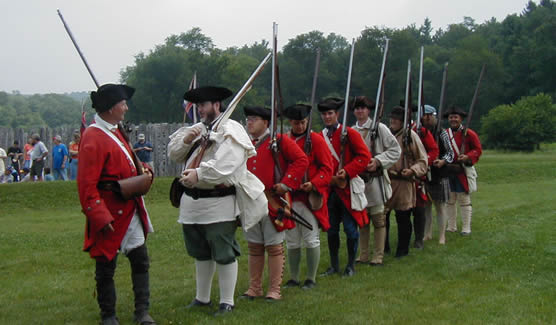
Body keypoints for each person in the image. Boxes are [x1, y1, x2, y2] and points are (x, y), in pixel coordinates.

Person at [167, 86, 268, 315]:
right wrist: (187, 140)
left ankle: (227, 301)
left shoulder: (231, 129)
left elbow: (227, 165)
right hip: (191, 203)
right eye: (198, 105)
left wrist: (200, 174)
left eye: (204, 105)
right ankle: (202, 298)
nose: (200, 109)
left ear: (217, 105)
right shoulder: (196, 128)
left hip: (218, 202)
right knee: (200, 251)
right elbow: (174, 154)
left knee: (223, 252)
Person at [77, 83, 156, 325]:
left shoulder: (115, 131)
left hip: (130, 207)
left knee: (140, 260)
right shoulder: (93, 136)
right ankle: (108, 315)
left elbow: (128, 162)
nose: (126, 108)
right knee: (105, 266)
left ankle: (142, 312)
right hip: (109, 210)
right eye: (123, 104)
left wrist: (142, 171)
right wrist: (99, 216)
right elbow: (86, 185)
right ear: (111, 108)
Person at [242, 105, 309, 301]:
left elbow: (301, 160)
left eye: (254, 118)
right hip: (250, 201)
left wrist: (286, 183)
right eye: (248, 118)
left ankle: (274, 290)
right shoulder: (246, 143)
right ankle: (254, 288)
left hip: (273, 201)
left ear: (266, 122)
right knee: (254, 246)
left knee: (274, 247)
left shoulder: (279, 141)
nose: (250, 122)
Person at [282, 104, 333, 289]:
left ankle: (311, 278)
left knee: (311, 238)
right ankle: (294, 278)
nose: (300, 126)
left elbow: (327, 169)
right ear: (291, 123)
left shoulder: (316, 140)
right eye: (296, 123)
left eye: (303, 122)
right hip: (289, 197)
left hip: (309, 197)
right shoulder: (285, 140)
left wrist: (314, 183)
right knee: (292, 240)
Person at [318, 97, 371, 277]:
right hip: (330, 189)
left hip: (347, 189)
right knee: (331, 230)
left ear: (337, 114)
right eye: (324, 114)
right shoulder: (320, 137)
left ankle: (350, 266)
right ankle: (334, 266)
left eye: (330, 113)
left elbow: (364, 157)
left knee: (350, 229)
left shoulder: (349, 134)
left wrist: (347, 171)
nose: (327, 117)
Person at [351, 96, 401, 266]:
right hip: (358, 181)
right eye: (357, 108)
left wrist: (378, 161)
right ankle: (363, 254)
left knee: (379, 220)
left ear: (368, 110)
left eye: (362, 108)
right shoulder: (350, 131)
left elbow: (395, 150)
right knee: (363, 220)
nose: (359, 111)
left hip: (376, 181)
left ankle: (378, 255)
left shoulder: (379, 128)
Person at [385, 107, 428, 258]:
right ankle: (384, 247)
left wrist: (413, 171)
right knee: (382, 217)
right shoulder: (385, 134)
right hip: (386, 180)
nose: (393, 121)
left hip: (403, 182)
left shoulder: (411, 136)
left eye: (397, 119)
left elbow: (423, 161)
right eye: (392, 118)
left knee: (403, 217)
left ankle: (402, 251)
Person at [433, 106, 482, 235]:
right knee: (450, 199)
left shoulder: (469, 133)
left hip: (462, 170)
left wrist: (467, 157)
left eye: (455, 117)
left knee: (464, 199)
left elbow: (477, 150)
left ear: (460, 119)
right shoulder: (445, 133)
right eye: (451, 117)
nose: (453, 119)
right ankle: (452, 226)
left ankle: (466, 227)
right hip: (448, 170)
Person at [410, 106, 439, 249]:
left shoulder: (422, 131)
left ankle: (419, 239)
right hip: (401, 174)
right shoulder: (394, 129)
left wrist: (423, 161)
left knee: (420, 208)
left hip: (418, 175)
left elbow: (433, 150)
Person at [421, 105, 451, 244]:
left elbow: (450, 153)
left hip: (439, 173)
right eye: (425, 116)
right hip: (425, 172)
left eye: (429, 116)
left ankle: (442, 236)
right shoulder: (420, 132)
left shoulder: (442, 133)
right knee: (426, 205)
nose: (427, 119)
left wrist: (443, 161)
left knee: (440, 206)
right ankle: (427, 233)